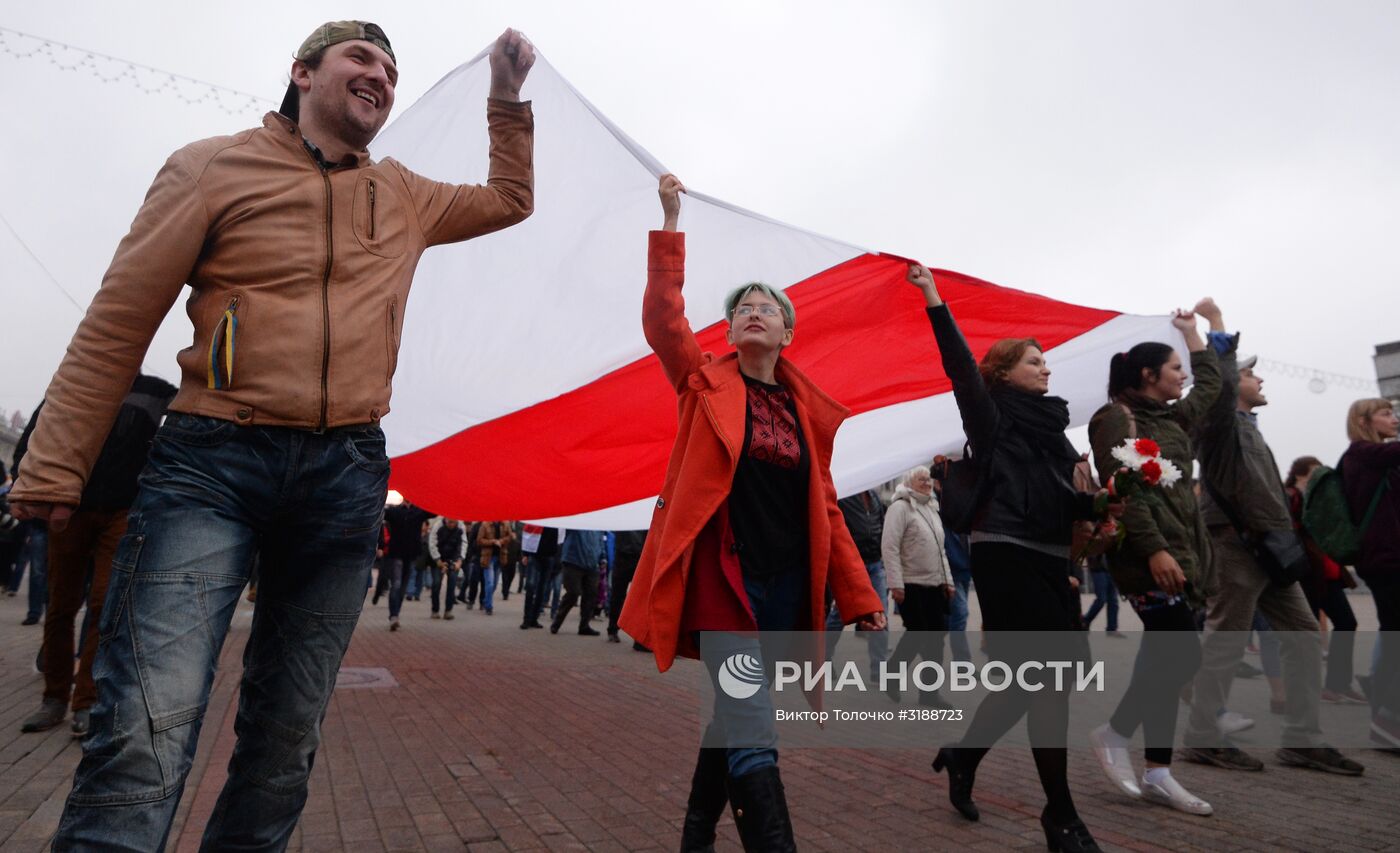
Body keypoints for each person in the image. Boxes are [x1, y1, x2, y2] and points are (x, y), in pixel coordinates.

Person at [6, 22, 535, 848]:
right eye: (360, 59)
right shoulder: (211, 165)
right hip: (210, 461)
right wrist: (54, 464)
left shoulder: (404, 193)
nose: (380, 76)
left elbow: (510, 199)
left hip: (346, 474)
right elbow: (119, 321)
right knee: (144, 734)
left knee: (285, 745)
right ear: (302, 73)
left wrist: (506, 99)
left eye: (391, 70)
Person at [619, 174, 884, 853]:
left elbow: (825, 503)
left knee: (736, 713)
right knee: (754, 723)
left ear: (787, 332)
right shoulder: (703, 382)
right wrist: (671, 222)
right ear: (732, 330)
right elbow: (663, 321)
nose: (754, 312)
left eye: (768, 307)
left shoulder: (806, 413)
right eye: (743, 308)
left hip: (784, 583)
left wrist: (858, 595)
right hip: (724, 583)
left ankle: (696, 830)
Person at [908, 264, 1107, 853]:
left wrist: (1100, 502)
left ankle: (963, 755)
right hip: (1005, 552)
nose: (1046, 366)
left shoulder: (1055, 431)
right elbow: (961, 369)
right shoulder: (989, 417)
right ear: (1004, 371)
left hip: (1050, 560)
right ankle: (1061, 816)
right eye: (1033, 360)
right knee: (1047, 683)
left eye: (1046, 361)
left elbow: (1064, 497)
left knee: (1032, 683)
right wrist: (933, 299)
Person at [1086, 305, 1220, 817]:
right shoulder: (1117, 419)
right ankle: (1115, 732)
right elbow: (1125, 494)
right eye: (1174, 368)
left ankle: (1159, 772)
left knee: (1164, 660)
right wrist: (1157, 548)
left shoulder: (1172, 417)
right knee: (1182, 656)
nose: (1184, 376)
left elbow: (1210, 388)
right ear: (1148, 375)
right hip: (1147, 557)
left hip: (1185, 553)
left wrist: (1193, 334)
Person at [16, 375, 177, 736]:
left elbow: (180, 439)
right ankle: (54, 697)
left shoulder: (158, 392)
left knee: (104, 605)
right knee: (60, 604)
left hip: (122, 511)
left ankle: (87, 701)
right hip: (70, 506)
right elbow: (33, 437)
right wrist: (22, 482)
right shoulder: (76, 381)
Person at [1338, 398, 1400, 749]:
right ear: (1365, 420)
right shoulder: (1362, 454)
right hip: (1385, 560)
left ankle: (1385, 711)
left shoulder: (1376, 458)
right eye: (1386, 413)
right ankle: (1387, 718)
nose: (1394, 419)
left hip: (1387, 558)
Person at [1287, 456, 1364, 703]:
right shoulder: (1291, 498)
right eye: (1314, 474)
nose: (1319, 479)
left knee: (1346, 623)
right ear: (1299, 475)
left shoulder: (1320, 500)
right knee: (1305, 635)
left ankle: (1337, 684)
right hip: (1305, 575)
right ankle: (1305, 689)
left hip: (1327, 574)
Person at [880, 466, 954, 706]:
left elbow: (940, 550)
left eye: (929, 479)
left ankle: (929, 693)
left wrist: (948, 581)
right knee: (918, 633)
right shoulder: (900, 507)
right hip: (910, 583)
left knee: (936, 639)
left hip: (934, 584)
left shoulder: (931, 509)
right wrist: (895, 584)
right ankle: (892, 674)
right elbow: (889, 548)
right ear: (909, 483)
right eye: (921, 479)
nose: (927, 483)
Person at [825, 488, 890, 682]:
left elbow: (880, 523)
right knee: (839, 617)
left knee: (880, 614)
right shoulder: (845, 494)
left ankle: (879, 670)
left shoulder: (874, 497)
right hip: (854, 564)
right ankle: (824, 658)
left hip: (874, 563)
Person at [382, 501, 431, 630]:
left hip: (411, 554)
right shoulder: (394, 511)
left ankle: (396, 614)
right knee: (396, 584)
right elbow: (381, 513)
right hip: (396, 553)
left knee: (403, 587)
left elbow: (433, 512)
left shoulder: (419, 512)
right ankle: (393, 616)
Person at [551, 528, 605, 635]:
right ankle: (557, 622)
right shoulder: (576, 523)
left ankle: (584, 626)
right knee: (573, 593)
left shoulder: (598, 525)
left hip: (592, 565)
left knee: (590, 595)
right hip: (573, 562)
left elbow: (600, 543)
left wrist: (602, 558)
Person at [607, 530, 648, 645]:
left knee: (640, 599)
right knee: (618, 597)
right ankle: (612, 629)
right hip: (623, 558)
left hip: (638, 558)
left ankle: (638, 636)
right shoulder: (623, 517)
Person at [428, 516, 467, 619]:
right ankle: (435, 610)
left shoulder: (460, 527)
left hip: (453, 558)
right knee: (436, 584)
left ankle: (448, 610)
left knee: (452, 585)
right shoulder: (438, 526)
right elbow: (432, 543)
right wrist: (438, 560)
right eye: (449, 522)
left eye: (453, 522)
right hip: (439, 558)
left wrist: (460, 560)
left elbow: (463, 544)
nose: (451, 525)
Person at [475, 520, 513, 615]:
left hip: (500, 557)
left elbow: (510, 537)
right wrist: (492, 542)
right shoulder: (485, 524)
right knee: (490, 583)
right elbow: (479, 540)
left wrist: (501, 541)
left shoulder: (506, 524)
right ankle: (489, 607)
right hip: (488, 558)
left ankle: (485, 600)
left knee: (495, 584)